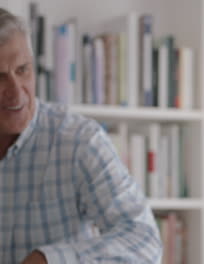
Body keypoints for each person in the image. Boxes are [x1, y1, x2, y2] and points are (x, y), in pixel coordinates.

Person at [0, 8, 162, 264]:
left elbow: (144, 240)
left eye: (23, 70)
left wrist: (49, 260)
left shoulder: (78, 140)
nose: (16, 93)